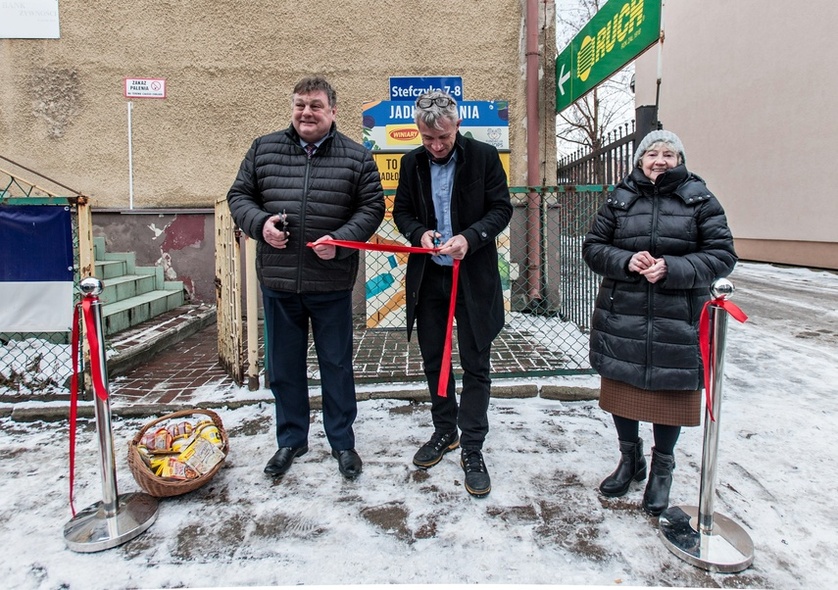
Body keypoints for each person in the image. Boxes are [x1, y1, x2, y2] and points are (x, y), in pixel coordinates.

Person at [226, 75, 384, 480]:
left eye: (315, 105)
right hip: (278, 282)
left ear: (332, 111)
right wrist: (261, 225)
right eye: (300, 104)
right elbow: (239, 196)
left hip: (330, 281)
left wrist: (344, 240)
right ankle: (291, 439)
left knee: (336, 364)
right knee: (284, 367)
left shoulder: (356, 157)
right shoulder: (263, 149)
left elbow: (371, 208)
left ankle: (342, 442)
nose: (306, 112)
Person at [582, 129, 737, 516]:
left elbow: (722, 255)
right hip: (625, 311)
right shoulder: (620, 199)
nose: (660, 161)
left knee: (671, 393)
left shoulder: (699, 199)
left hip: (679, 314)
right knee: (622, 386)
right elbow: (594, 247)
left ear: (680, 160)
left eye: (669, 154)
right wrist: (625, 261)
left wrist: (674, 267)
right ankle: (629, 459)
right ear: (640, 160)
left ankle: (662, 468)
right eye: (653, 153)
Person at [392, 90, 512, 498]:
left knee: (476, 360)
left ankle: (473, 444)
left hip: (473, 275)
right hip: (430, 278)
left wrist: (470, 237)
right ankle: (445, 431)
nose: (436, 146)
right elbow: (402, 212)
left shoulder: (483, 156)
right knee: (434, 359)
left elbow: (501, 209)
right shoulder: (412, 163)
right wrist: (418, 233)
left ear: (457, 125)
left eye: (442, 137)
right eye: (428, 139)